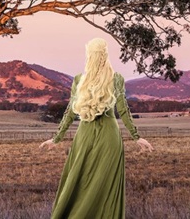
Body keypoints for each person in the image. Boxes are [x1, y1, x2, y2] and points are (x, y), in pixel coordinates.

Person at [39, 37, 153, 219]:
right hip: (109, 137)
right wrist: (136, 136)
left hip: (86, 135)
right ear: (105, 55)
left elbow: (70, 111)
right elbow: (122, 109)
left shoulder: (80, 79)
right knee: (105, 185)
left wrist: (57, 138)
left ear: (88, 55)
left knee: (78, 181)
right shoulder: (115, 79)